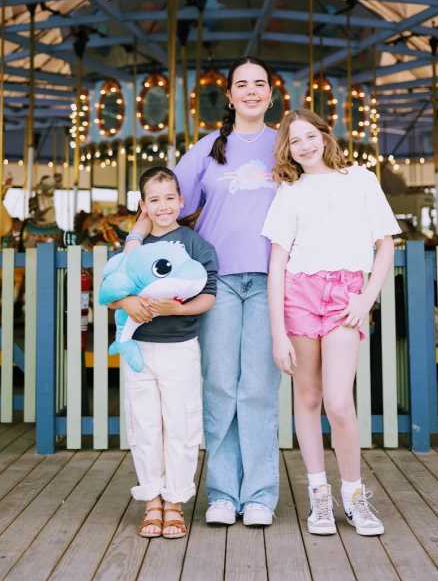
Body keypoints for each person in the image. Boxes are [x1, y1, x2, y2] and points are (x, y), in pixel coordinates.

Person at [127, 57, 280, 527]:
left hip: (270, 280)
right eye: (242, 85)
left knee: (257, 389)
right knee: (218, 387)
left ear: (271, 94)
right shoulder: (209, 148)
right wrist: (133, 243)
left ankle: (257, 494)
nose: (251, 91)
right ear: (229, 97)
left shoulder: (283, 146)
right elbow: (161, 198)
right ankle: (220, 491)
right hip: (218, 281)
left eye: (260, 84)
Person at [262, 109, 400, 537]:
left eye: (309, 135)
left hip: (346, 293)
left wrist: (365, 299)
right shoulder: (290, 191)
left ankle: (355, 495)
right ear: (287, 149)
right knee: (307, 395)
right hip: (299, 294)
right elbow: (277, 265)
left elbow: (385, 246)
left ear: (325, 136)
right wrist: (277, 332)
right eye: (294, 140)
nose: (303, 145)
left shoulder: (359, 179)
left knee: (339, 401)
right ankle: (318, 494)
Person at [110, 167, 218, 539]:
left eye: (170, 197)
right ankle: (151, 499)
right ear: (143, 205)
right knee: (144, 424)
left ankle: (175, 501)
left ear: (181, 200)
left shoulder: (193, 244)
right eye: (154, 200)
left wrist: (180, 309)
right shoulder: (133, 248)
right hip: (140, 347)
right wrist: (127, 300)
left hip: (179, 346)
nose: (163, 206)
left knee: (181, 423)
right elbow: (112, 288)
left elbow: (209, 294)